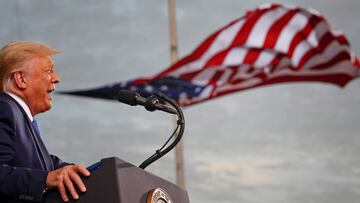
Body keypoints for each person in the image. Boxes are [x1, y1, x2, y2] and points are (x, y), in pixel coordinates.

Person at [0, 41, 90, 202]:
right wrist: (45, 179)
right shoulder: (4, 108)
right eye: (49, 71)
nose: (56, 79)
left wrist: (84, 172)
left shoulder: (21, 118)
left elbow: (43, 163)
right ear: (21, 79)